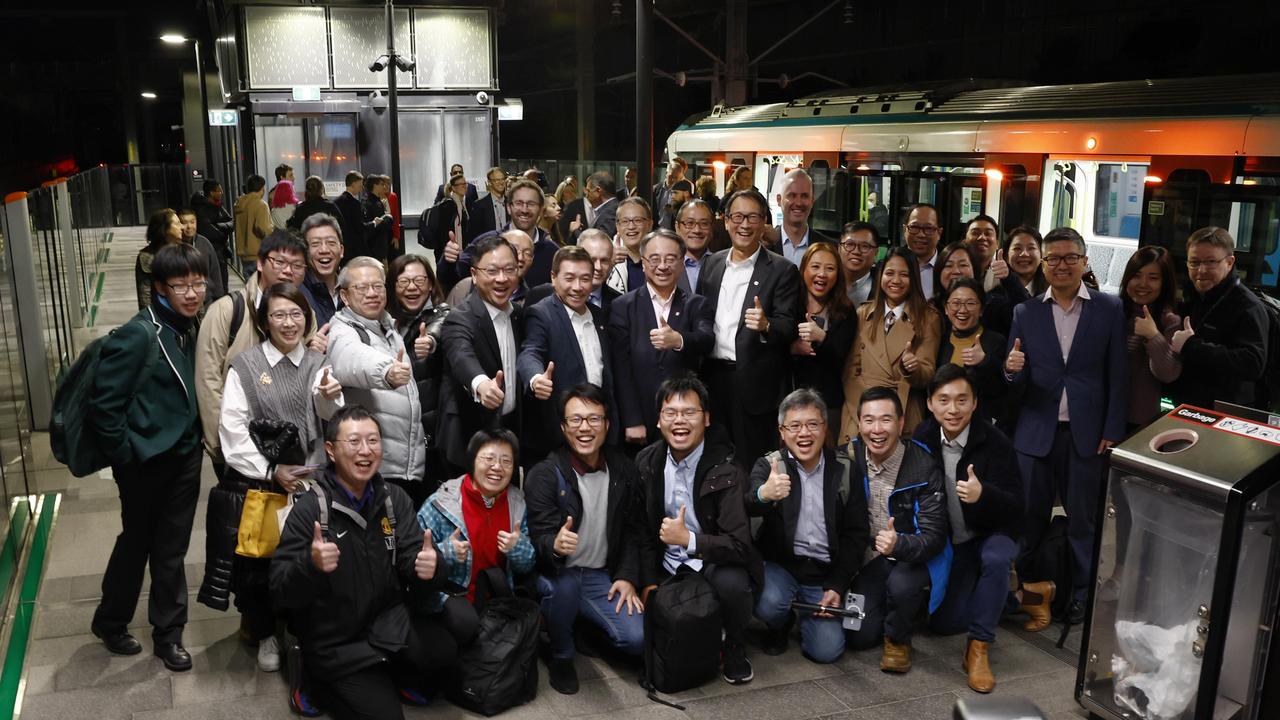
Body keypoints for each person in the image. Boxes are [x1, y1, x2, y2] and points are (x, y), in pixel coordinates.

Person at [270, 406, 462, 720]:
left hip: (388, 623)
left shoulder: (393, 499)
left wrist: (431, 566)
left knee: (444, 652)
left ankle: (391, 670)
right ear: (331, 450)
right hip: (336, 641)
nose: (365, 451)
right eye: (354, 441)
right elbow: (279, 590)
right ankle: (311, 676)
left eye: (373, 441)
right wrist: (311, 564)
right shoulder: (310, 510)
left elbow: (413, 559)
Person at [204, 283, 344, 671]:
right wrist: (271, 470)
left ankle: (301, 628)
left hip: (311, 483)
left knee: (309, 557)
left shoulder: (318, 364)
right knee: (259, 564)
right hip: (262, 482)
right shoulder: (246, 366)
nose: (289, 323)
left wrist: (332, 396)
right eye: (279, 315)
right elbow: (231, 429)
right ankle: (266, 633)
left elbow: (328, 416)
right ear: (265, 322)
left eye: (296, 314)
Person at [88, 243, 207, 671]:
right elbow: (105, 405)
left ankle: (168, 635)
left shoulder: (189, 327)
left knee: (171, 549)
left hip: (185, 456)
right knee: (137, 543)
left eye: (198, 283)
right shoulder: (140, 334)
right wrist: (126, 454)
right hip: (144, 461)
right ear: (159, 288)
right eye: (181, 286)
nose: (192, 293)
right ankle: (111, 620)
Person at [1005, 226, 1127, 623]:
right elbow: (1014, 376)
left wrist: (1112, 429)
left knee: (1083, 521)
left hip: (1087, 435)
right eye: (1053, 258)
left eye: (1069, 257)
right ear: (1043, 265)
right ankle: (1025, 589)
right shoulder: (1025, 312)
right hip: (1035, 433)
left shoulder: (1108, 309)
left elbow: (1117, 375)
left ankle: (1079, 594)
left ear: (1084, 262)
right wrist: (1010, 371)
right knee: (1029, 517)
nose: (1061, 265)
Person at [635, 376, 761, 685]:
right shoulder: (646, 462)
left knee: (733, 583)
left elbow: (739, 545)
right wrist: (647, 581)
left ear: (706, 418)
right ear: (658, 420)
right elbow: (639, 531)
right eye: (671, 413)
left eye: (689, 412)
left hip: (711, 562)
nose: (679, 421)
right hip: (668, 566)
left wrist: (688, 540)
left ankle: (733, 645)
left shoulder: (727, 466)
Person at [525, 385, 647, 693]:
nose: (585, 428)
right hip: (558, 574)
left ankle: (585, 627)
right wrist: (553, 544)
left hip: (599, 575)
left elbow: (633, 530)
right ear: (564, 427)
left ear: (607, 424)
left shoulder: (623, 470)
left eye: (594, 419)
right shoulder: (545, 474)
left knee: (636, 640)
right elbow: (536, 537)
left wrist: (627, 576)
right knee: (564, 588)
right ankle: (560, 653)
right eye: (576, 420)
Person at [912, 365, 1025, 693]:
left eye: (962, 400)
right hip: (956, 542)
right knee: (943, 623)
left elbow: (1018, 505)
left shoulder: (995, 441)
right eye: (944, 400)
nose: (953, 409)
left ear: (975, 403)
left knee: (995, 560)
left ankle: (978, 649)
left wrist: (983, 495)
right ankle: (1020, 598)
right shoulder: (923, 437)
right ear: (931, 403)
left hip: (994, 533)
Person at [749, 389, 869, 664]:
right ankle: (779, 623)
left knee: (827, 651)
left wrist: (838, 585)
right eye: (795, 426)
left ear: (825, 428)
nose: (804, 433)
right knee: (768, 604)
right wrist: (764, 494)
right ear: (782, 431)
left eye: (812, 424)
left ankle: (808, 614)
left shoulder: (846, 469)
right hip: (783, 567)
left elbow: (856, 534)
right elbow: (748, 502)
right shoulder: (770, 465)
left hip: (826, 575)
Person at [843, 387, 947, 672]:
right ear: (859, 423)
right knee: (857, 636)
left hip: (912, 556)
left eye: (886, 420)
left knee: (901, 585)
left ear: (901, 424)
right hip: (871, 559)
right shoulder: (848, 458)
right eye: (869, 420)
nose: (877, 429)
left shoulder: (923, 466)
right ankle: (895, 609)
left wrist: (899, 544)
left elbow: (934, 536)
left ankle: (898, 639)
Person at [196, 231, 312, 481]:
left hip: (292, 451)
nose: (288, 271)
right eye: (279, 262)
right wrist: (222, 448)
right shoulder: (227, 310)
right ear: (260, 263)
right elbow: (208, 379)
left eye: (297, 265)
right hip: (238, 449)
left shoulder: (303, 313)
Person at [700, 188, 801, 467]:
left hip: (754, 387)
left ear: (764, 222)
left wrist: (767, 325)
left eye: (753, 217)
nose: (745, 225)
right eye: (738, 216)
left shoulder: (782, 269)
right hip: (712, 380)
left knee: (751, 464)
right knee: (713, 461)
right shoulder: (712, 263)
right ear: (726, 220)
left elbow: (789, 325)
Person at [326, 257, 426, 507]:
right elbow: (349, 358)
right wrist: (386, 372)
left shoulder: (387, 327)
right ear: (345, 296)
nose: (372, 293)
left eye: (378, 286)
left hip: (399, 466)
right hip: (371, 466)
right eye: (362, 288)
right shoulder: (343, 328)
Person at [610, 230, 714, 446]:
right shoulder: (623, 306)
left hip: (684, 415)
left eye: (670, 259)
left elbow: (706, 339)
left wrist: (679, 340)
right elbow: (621, 366)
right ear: (644, 263)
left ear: (682, 262)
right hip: (641, 414)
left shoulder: (696, 304)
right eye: (655, 259)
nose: (663, 266)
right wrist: (632, 419)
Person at [416, 428, 536, 611]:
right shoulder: (440, 503)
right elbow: (413, 562)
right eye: (489, 459)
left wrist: (517, 547)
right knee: (464, 621)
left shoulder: (517, 504)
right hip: (450, 600)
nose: (497, 467)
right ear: (472, 460)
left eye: (506, 461)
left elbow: (527, 565)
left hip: (497, 604)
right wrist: (446, 553)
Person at [518, 245, 615, 459]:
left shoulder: (600, 316)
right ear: (554, 278)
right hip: (559, 433)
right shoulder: (542, 313)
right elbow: (530, 351)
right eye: (569, 278)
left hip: (600, 430)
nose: (578, 287)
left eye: (585, 279)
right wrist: (535, 379)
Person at [839, 247, 942, 442]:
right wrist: (865, 411)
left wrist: (912, 368)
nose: (896, 281)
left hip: (902, 413)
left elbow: (927, 374)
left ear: (914, 279)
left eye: (904, 275)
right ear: (880, 276)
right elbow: (851, 371)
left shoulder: (928, 318)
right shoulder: (863, 313)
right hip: (860, 410)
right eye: (889, 273)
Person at [439, 234, 523, 472]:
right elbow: (460, 355)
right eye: (492, 271)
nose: (502, 278)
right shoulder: (460, 317)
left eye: (509, 270)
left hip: (507, 435)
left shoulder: (518, 314)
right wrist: (481, 384)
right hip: (468, 440)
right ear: (474, 275)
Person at [1171, 226, 1269, 410]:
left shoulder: (1248, 306)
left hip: (1225, 412)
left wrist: (1191, 345)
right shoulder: (1193, 297)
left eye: (1210, 262)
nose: (1201, 270)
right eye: (1194, 262)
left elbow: (1253, 363)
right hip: (1188, 406)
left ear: (1230, 262)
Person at [386, 254, 448, 487]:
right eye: (403, 282)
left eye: (420, 281)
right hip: (394, 437)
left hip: (429, 437)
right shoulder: (385, 322)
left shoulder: (443, 314)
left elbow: (441, 328)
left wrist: (429, 341)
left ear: (431, 284)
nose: (412, 288)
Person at [790, 243, 858, 440]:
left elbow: (842, 357)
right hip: (790, 398)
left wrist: (822, 337)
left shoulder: (845, 310)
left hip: (829, 403)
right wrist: (792, 348)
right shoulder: (789, 303)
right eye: (815, 266)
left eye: (830, 268)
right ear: (804, 269)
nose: (822, 274)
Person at [1120, 246, 1183, 428]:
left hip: (1138, 421)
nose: (1143, 283)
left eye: (1153, 278)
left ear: (1164, 283)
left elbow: (1168, 374)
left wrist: (1153, 336)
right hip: (1101, 415)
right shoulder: (1114, 312)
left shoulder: (1170, 320)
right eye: (1136, 275)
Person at [937, 278, 1009, 430]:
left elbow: (1002, 389)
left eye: (970, 303)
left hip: (982, 429)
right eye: (956, 303)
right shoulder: (938, 341)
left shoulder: (995, 341)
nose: (962, 310)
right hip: (941, 428)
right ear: (946, 308)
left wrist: (984, 361)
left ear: (982, 309)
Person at [772, 169, 835, 265]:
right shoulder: (763, 246)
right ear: (779, 200)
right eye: (792, 195)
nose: (798, 203)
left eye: (805, 196)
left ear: (812, 201)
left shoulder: (830, 248)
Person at [298, 213, 345, 328]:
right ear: (305, 252)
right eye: (315, 244)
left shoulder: (352, 288)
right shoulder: (296, 293)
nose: (324, 250)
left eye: (331, 243)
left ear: (342, 250)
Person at [136, 208, 184, 309]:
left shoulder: (186, 251)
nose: (182, 227)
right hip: (161, 315)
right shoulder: (147, 257)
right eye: (177, 223)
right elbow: (145, 296)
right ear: (165, 228)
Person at [191, 179, 234, 291]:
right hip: (210, 251)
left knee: (223, 284)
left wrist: (220, 226)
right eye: (219, 191)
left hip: (221, 251)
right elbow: (209, 231)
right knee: (215, 285)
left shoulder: (217, 205)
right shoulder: (202, 208)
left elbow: (232, 222)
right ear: (211, 193)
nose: (222, 193)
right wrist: (224, 233)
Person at [604, 196, 652, 296]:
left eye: (638, 220)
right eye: (625, 221)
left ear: (649, 224)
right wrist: (608, 264)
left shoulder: (661, 258)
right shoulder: (605, 258)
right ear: (617, 226)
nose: (631, 227)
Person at [177, 208, 226, 304]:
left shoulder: (204, 243)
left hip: (205, 299)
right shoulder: (174, 245)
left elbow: (215, 272)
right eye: (185, 222)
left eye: (192, 222)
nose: (189, 226)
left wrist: (219, 297)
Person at [561, 171, 619, 245]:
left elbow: (598, 244)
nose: (587, 196)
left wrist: (576, 230)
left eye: (588, 191)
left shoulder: (610, 212)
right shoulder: (610, 209)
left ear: (598, 190)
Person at [235, 174, 274, 277]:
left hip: (244, 255)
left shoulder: (240, 204)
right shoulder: (261, 205)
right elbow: (263, 229)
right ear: (262, 188)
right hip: (258, 253)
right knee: (262, 289)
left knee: (251, 289)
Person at [674, 199, 714, 295]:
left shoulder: (723, 266)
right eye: (689, 223)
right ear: (677, 227)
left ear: (712, 228)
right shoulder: (665, 266)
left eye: (704, 224)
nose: (697, 230)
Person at [903, 204, 943, 300]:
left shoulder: (949, 267)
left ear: (939, 232)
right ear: (905, 229)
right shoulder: (889, 266)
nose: (921, 234)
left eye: (928, 228)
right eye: (914, 227)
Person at [464, 167, 510, 242]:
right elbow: (473, 234)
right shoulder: (479, 205)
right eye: (497, 180)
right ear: (489, 182)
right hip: (488, 249)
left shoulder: (511, 203)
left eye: (503, 179)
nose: (501, 182)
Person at [839, 221, 879, 305]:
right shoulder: (825, 280)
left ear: (876, 253)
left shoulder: (883, 288)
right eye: (849, 244)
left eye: (864, 246)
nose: (856, 251)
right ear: (839, 249)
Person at [1004, 226, 1049, 297]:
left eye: (1031, 248)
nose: (1024, 254)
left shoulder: (1052, 291)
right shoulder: (996, 293)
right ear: (1006, 256)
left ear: (1042, 255)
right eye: (1017, 248)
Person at [334, 171, 369, 262]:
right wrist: (374, 223)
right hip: (355, 247)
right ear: (353, 184)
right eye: (360, 185)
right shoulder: (355, 203)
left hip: (342, 244)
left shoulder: (336, 202)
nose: (362, 188)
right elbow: (359, 227)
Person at [361, 175, 395, 263]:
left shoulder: (372, 201)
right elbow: (378, 224)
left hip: (377, 246)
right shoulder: (372, 203)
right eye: (381, 184)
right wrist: (389, 219)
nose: (383, 187)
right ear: (375, 186)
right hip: (376, 247)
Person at [651, 156, 688, 226]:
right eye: (670, 176)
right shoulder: (655, 189)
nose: (673, 180)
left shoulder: (683, 193)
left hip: (674, 232)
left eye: (676, 178)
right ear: (666, 173)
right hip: (657, 231)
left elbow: (687, 214)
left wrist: (674, 212)